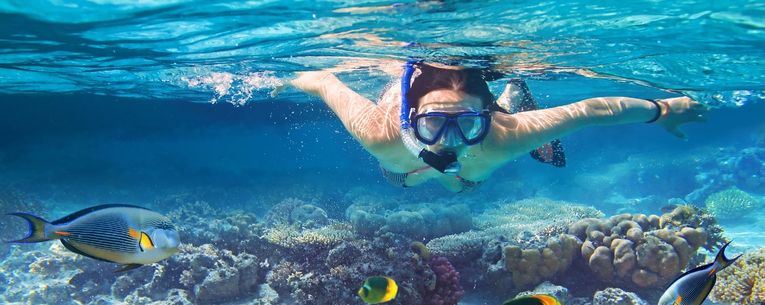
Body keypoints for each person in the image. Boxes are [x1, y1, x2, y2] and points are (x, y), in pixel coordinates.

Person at [283, 60, 708, 192]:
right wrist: (281, 77)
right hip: (403, 168)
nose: (449, 140)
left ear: (485, 119)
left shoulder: (505, 135)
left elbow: (593, 108)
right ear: (411, 119)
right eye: (432, 123)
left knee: (465, 184)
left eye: (467, 123)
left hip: (480, 152)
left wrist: (664, 110)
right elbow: (322, 79)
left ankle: (510, 96)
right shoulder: (379, 131)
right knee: (402, 180)